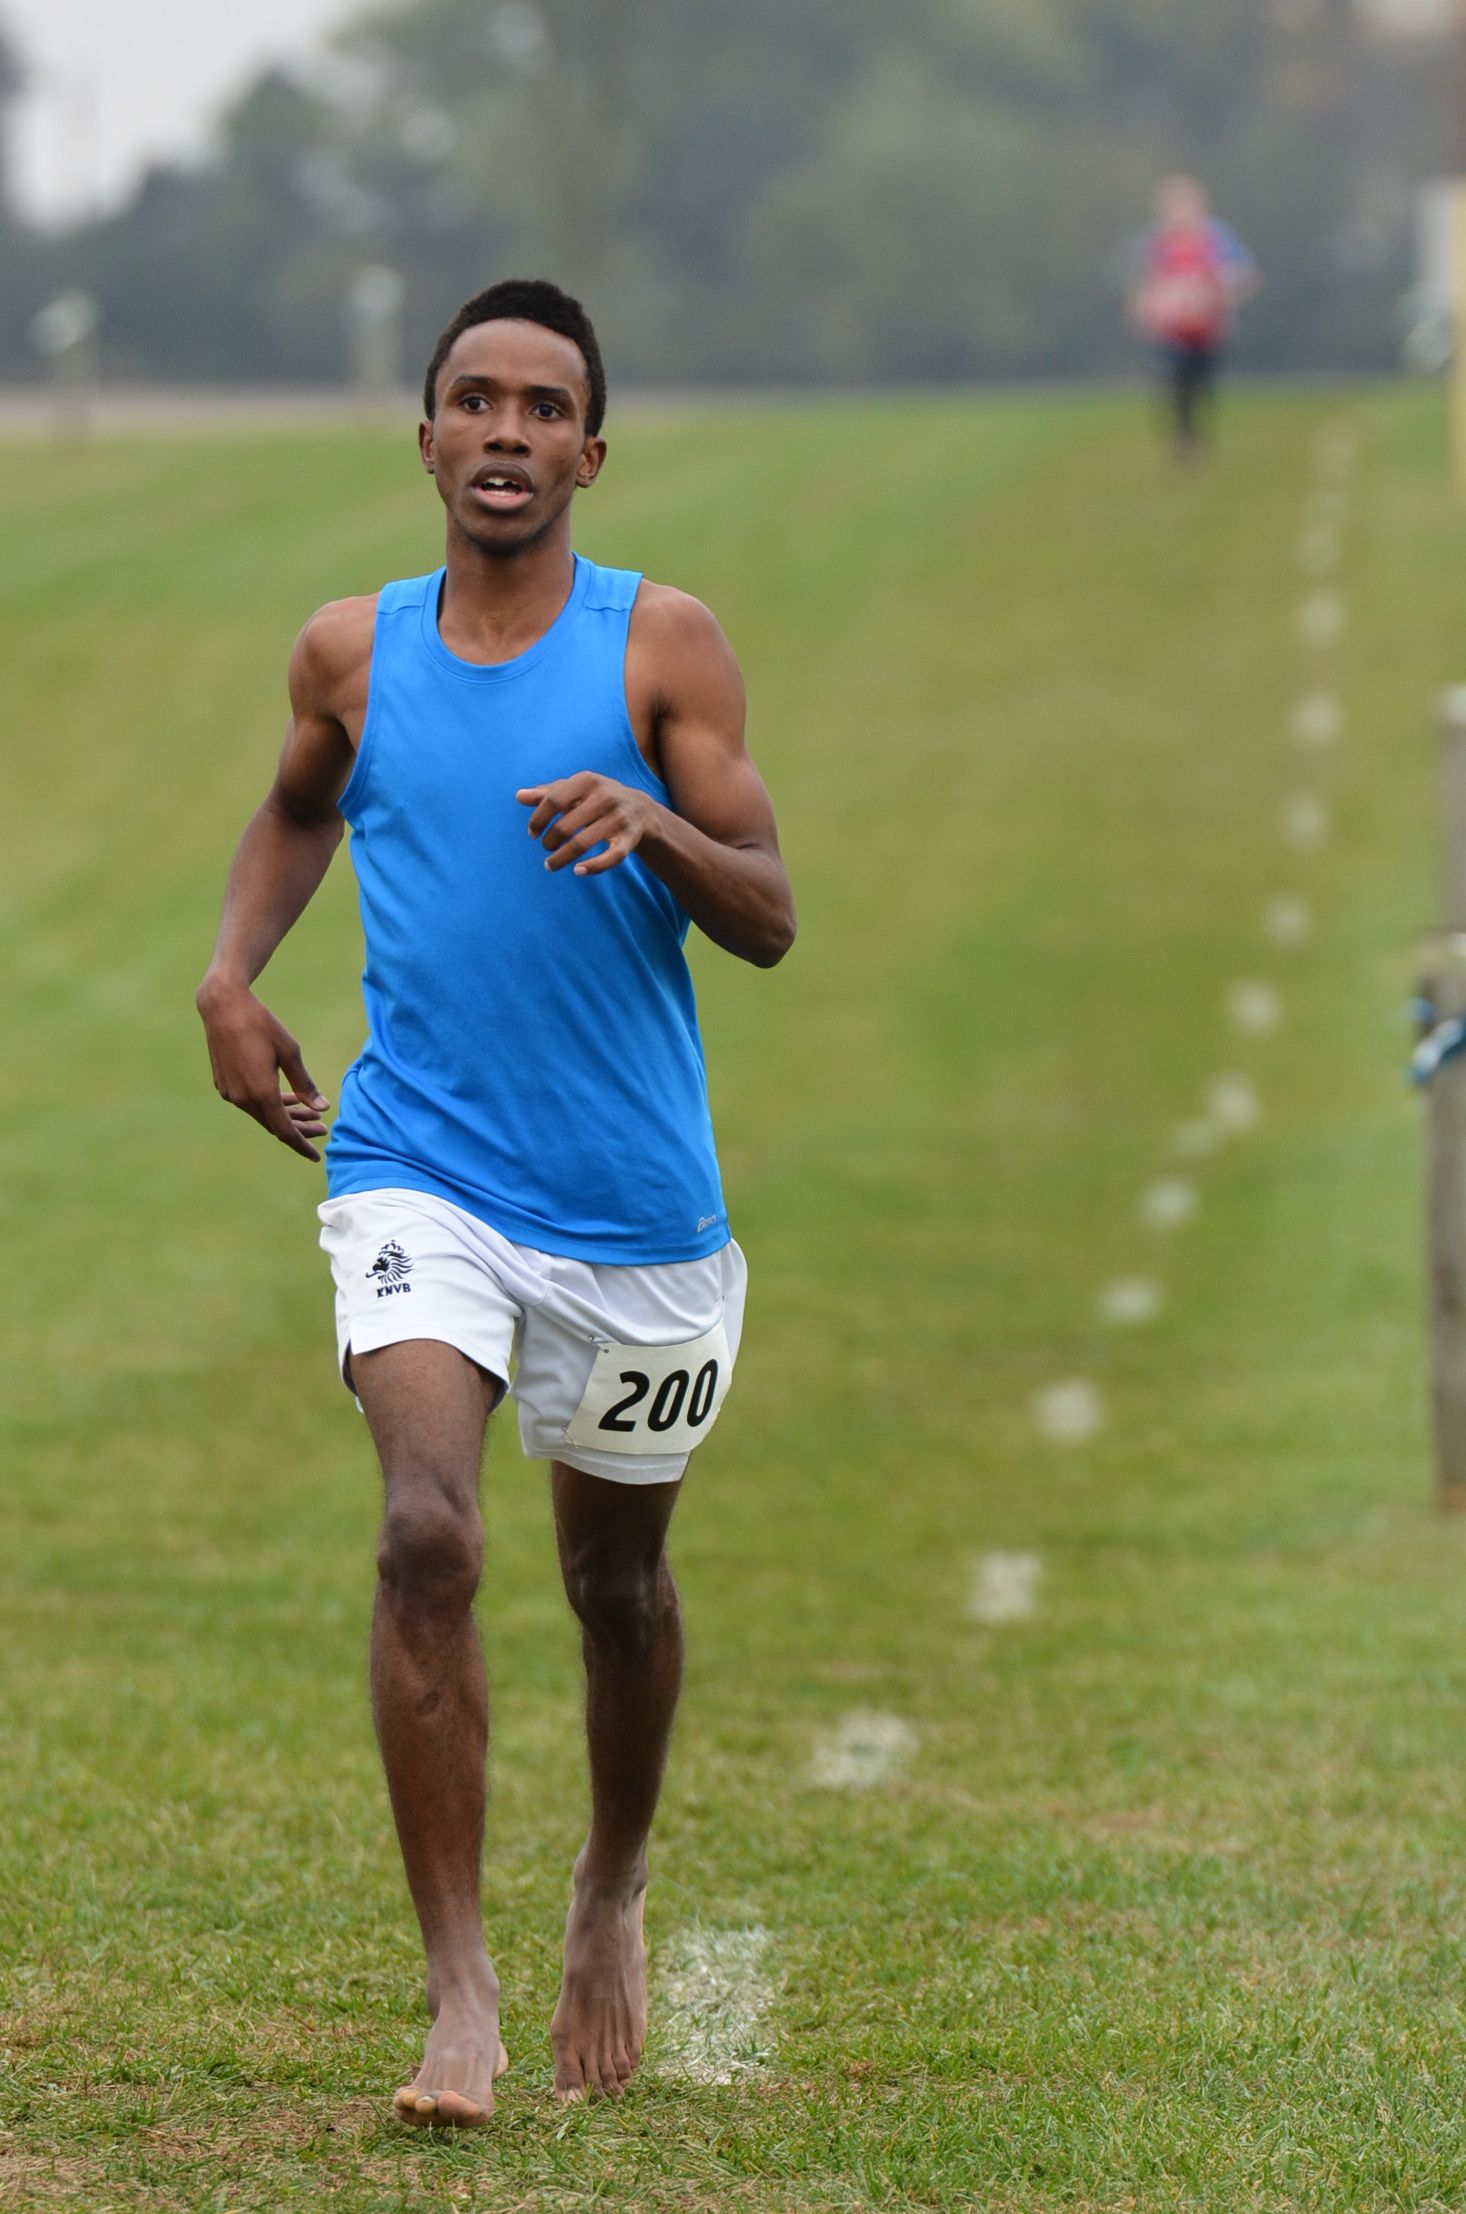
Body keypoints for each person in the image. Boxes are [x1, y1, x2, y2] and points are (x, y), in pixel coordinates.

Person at [196, 277, 796, 2125]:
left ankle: (608, 1879)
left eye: (545, 407)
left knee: (615, 1585)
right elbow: (300, 806)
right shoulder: (349, 652)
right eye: (477, 399)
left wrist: (655, 824)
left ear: (590, 453)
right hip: (418, 1164)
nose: (508, 431)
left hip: (633, 1204)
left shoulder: (660, 646)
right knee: (426, 1533)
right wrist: (230, 974)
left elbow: (770, 910)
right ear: (429, 436)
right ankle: (456, 1984)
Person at [1128, 175, 1259, 462]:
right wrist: (1143, 312)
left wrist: (1220, 294)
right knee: (1175, 381)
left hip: (1209, 327)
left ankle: (1200, 440)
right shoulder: (1156, 241)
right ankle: (1182, 442)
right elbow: (1143, 282)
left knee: (1204, 382)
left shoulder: (1217, 237)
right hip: (1170, 330)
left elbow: (1245, 275)